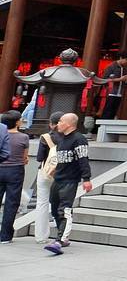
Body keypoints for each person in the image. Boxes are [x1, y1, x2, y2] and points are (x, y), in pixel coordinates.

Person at [44, 113, 92, 256]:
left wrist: (86, 178)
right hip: (58, 178)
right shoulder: (61, 139)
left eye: (61, 121)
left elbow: (83, 159)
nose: (58, 124)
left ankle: (60, 240)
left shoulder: (79, 139)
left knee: (64, 210)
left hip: (70, 180)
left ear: (69, 124)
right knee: (54, 208)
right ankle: (62, 235)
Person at [33, 112, 64, 244]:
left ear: (51, 124)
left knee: (42, 203)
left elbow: (40, 157)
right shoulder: (69, 138)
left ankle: (41, 236)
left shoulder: (45, 137)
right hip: (62, 173)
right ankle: (62, 234)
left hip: (46, 172)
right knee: (62, 203)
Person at [0, 110, 29, 244]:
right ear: (17, 122)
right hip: (15, 170)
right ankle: (5, 236)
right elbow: (25, 158)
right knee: (12, 203)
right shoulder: (23, 137)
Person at [99, 53, 127, 120]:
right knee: (107, 112)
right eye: (126, 59)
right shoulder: (111, 66)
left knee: (113, 112)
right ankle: (103, 125)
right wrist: (120, 79)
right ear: (121, 58)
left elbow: (124, 80)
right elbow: (104, 79)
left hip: (119, 93)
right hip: (110, 93)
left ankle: (109, 125)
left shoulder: (124, 68)